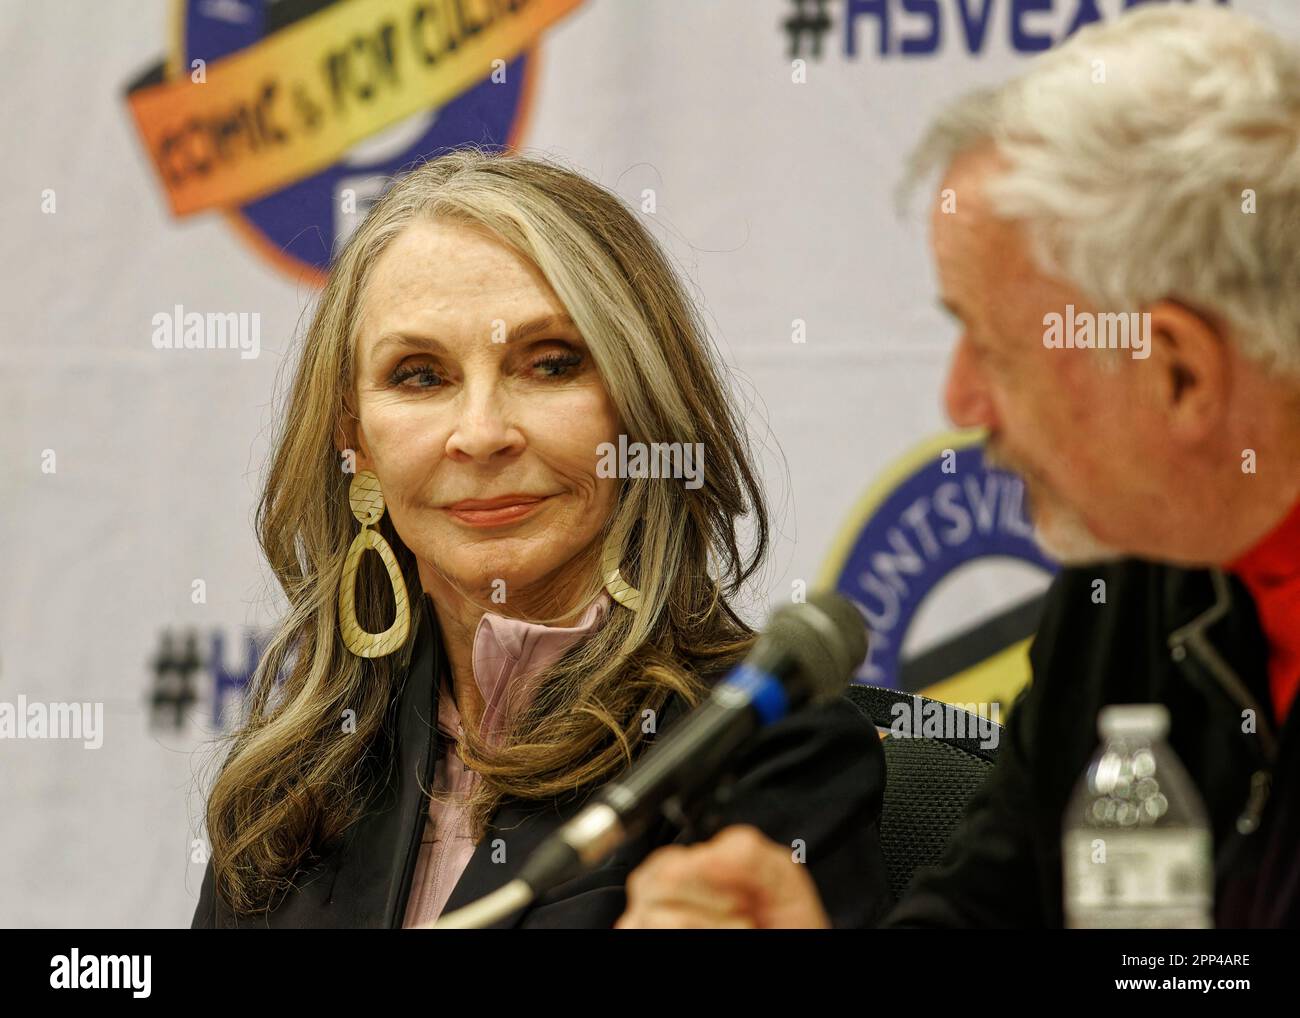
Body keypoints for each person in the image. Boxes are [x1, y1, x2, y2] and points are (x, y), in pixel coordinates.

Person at [616, 5, 1300, 929]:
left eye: (994, 349)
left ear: (1179, 372)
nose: (958, 403)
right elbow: (991, 903)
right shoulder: (1135, 568)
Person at [189, 148, 892, 929]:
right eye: (420, 376)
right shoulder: (294, 778)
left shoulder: (760, 755)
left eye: (550, 364)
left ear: (640, 406)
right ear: (354, 439)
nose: (482, 433)